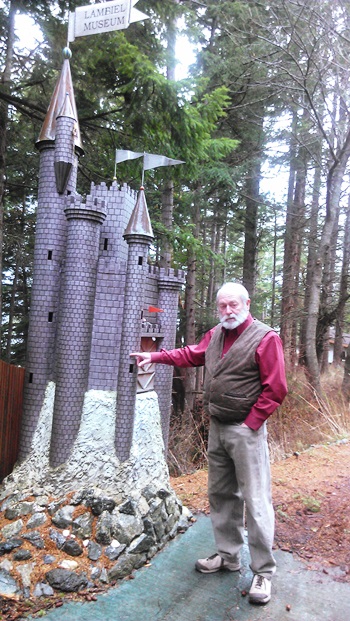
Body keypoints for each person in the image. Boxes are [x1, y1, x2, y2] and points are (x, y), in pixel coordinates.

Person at [131, 282, 287, 605]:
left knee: (256, 501)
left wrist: (251, 423)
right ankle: (229, 556)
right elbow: (191, 355)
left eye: (233, 305)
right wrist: (154, 356)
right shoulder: (216, 335)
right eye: (222, 306)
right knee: (220, 494)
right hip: (217, 428)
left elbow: (276, 389)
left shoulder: (265, 338)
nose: (228, 311)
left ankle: (263, 572)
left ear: (246, 304)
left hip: (247, 432)